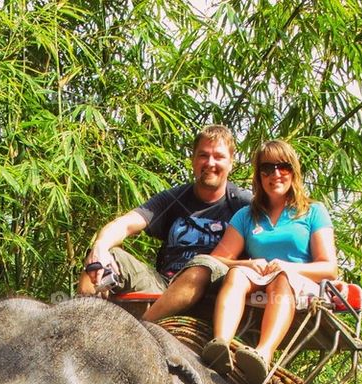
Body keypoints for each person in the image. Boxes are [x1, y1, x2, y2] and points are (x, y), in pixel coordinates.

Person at [144, 139, 337, 384]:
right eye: (267, 169)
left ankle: (263, 354)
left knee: (281, 280)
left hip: (298, 280)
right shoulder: (247, 215)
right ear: (259, 176)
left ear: (294, 171)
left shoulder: (312, 212)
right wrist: (247, 264)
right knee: (235, 274)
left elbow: (329, 268)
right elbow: (217, 258)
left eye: (283, 167)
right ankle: (221, 344)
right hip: (259, 278)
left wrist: (287, 267)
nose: (275, 174)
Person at [77, 124, 252, 298]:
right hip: (164, 287)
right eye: (203, 155)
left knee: (204, 266)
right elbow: (125, 224)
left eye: (219, 157)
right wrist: (100, 246)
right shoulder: (174, 198)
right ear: (193, 159)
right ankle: (81, 319)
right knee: (101, 261)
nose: (210, 163)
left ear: (231, 162)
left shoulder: (245, 205)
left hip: (215, 293)